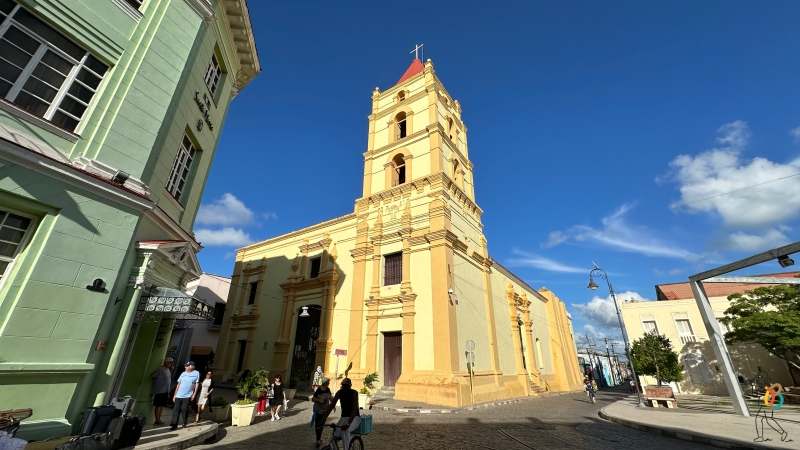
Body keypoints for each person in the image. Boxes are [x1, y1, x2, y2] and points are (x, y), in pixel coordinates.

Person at [330, 377, 361, 449]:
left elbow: (354, 409)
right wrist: (323, 419)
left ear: (350, 386)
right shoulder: (339, 392)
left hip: (355, 418)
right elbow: (332, 405)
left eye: (346, 386)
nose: (344, 387)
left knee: (345, 431)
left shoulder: (354, 393)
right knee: (334, 437)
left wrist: (348, 423)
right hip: (343, 418)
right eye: (343, 385)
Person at [171, 361, 200, 430]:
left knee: (184, 409)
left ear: (192, 366)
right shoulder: (183, 373)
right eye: (185, 366)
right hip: (178, 395)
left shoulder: (196, 373)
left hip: (187, 395)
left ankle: (184, 422)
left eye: (187, 366)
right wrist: (174, 395)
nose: (185, 367)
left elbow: (197, 384)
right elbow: (178, 384)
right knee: (176, 410)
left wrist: (194, 395)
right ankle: (174, 425)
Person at [151, 357, 174, 425]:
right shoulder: (160, 369)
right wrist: (158, 382)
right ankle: (157, 420)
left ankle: (159, 419)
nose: (171, 364)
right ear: (166, 362)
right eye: (170, 362)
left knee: (162, 405)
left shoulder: (168, 370)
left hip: (165, 391)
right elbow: (153, 376)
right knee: (158, 405)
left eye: (171, 363)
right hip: (160, 390)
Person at [311, 378, 333, 447]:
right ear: (325, 383)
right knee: (318, 425)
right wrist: (319, 400)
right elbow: (313, 398)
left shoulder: (328, 389)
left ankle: (318, 439)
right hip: (318, 410)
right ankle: (318, 440)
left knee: (321, 425)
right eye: (328, 382)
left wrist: (333, 403)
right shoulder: (319, 389)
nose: (329, 383)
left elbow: (330, 398)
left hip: (325, 411)